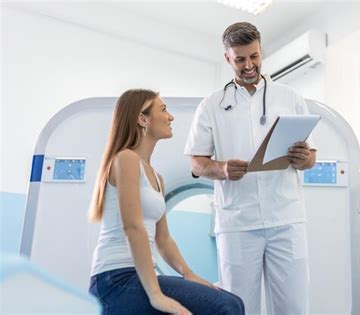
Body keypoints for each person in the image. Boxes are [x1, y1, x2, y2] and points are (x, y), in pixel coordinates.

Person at [184, 22, 317, 315]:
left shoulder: (290, 97)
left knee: (294, 307)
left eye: (254, 56)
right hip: (238, 223)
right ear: (227, 58)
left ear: (261, 51)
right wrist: (221, 169)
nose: (249, 65)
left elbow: (311, 158)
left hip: (286, 217)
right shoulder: (212, 104)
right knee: (238, 306)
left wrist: (302, 157)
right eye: (240, 59)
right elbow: (196, 162)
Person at [88, 89, 245, 315]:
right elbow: (133, 228)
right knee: (226, 307)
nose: (170, 117)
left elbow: (163, 239)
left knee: (233, 302)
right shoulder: (126, 159)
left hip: (138, 277)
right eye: (163, 110)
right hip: (115, 279)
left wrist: (188, 273)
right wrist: (155, 295)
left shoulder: (156, 177)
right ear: (143, 119)